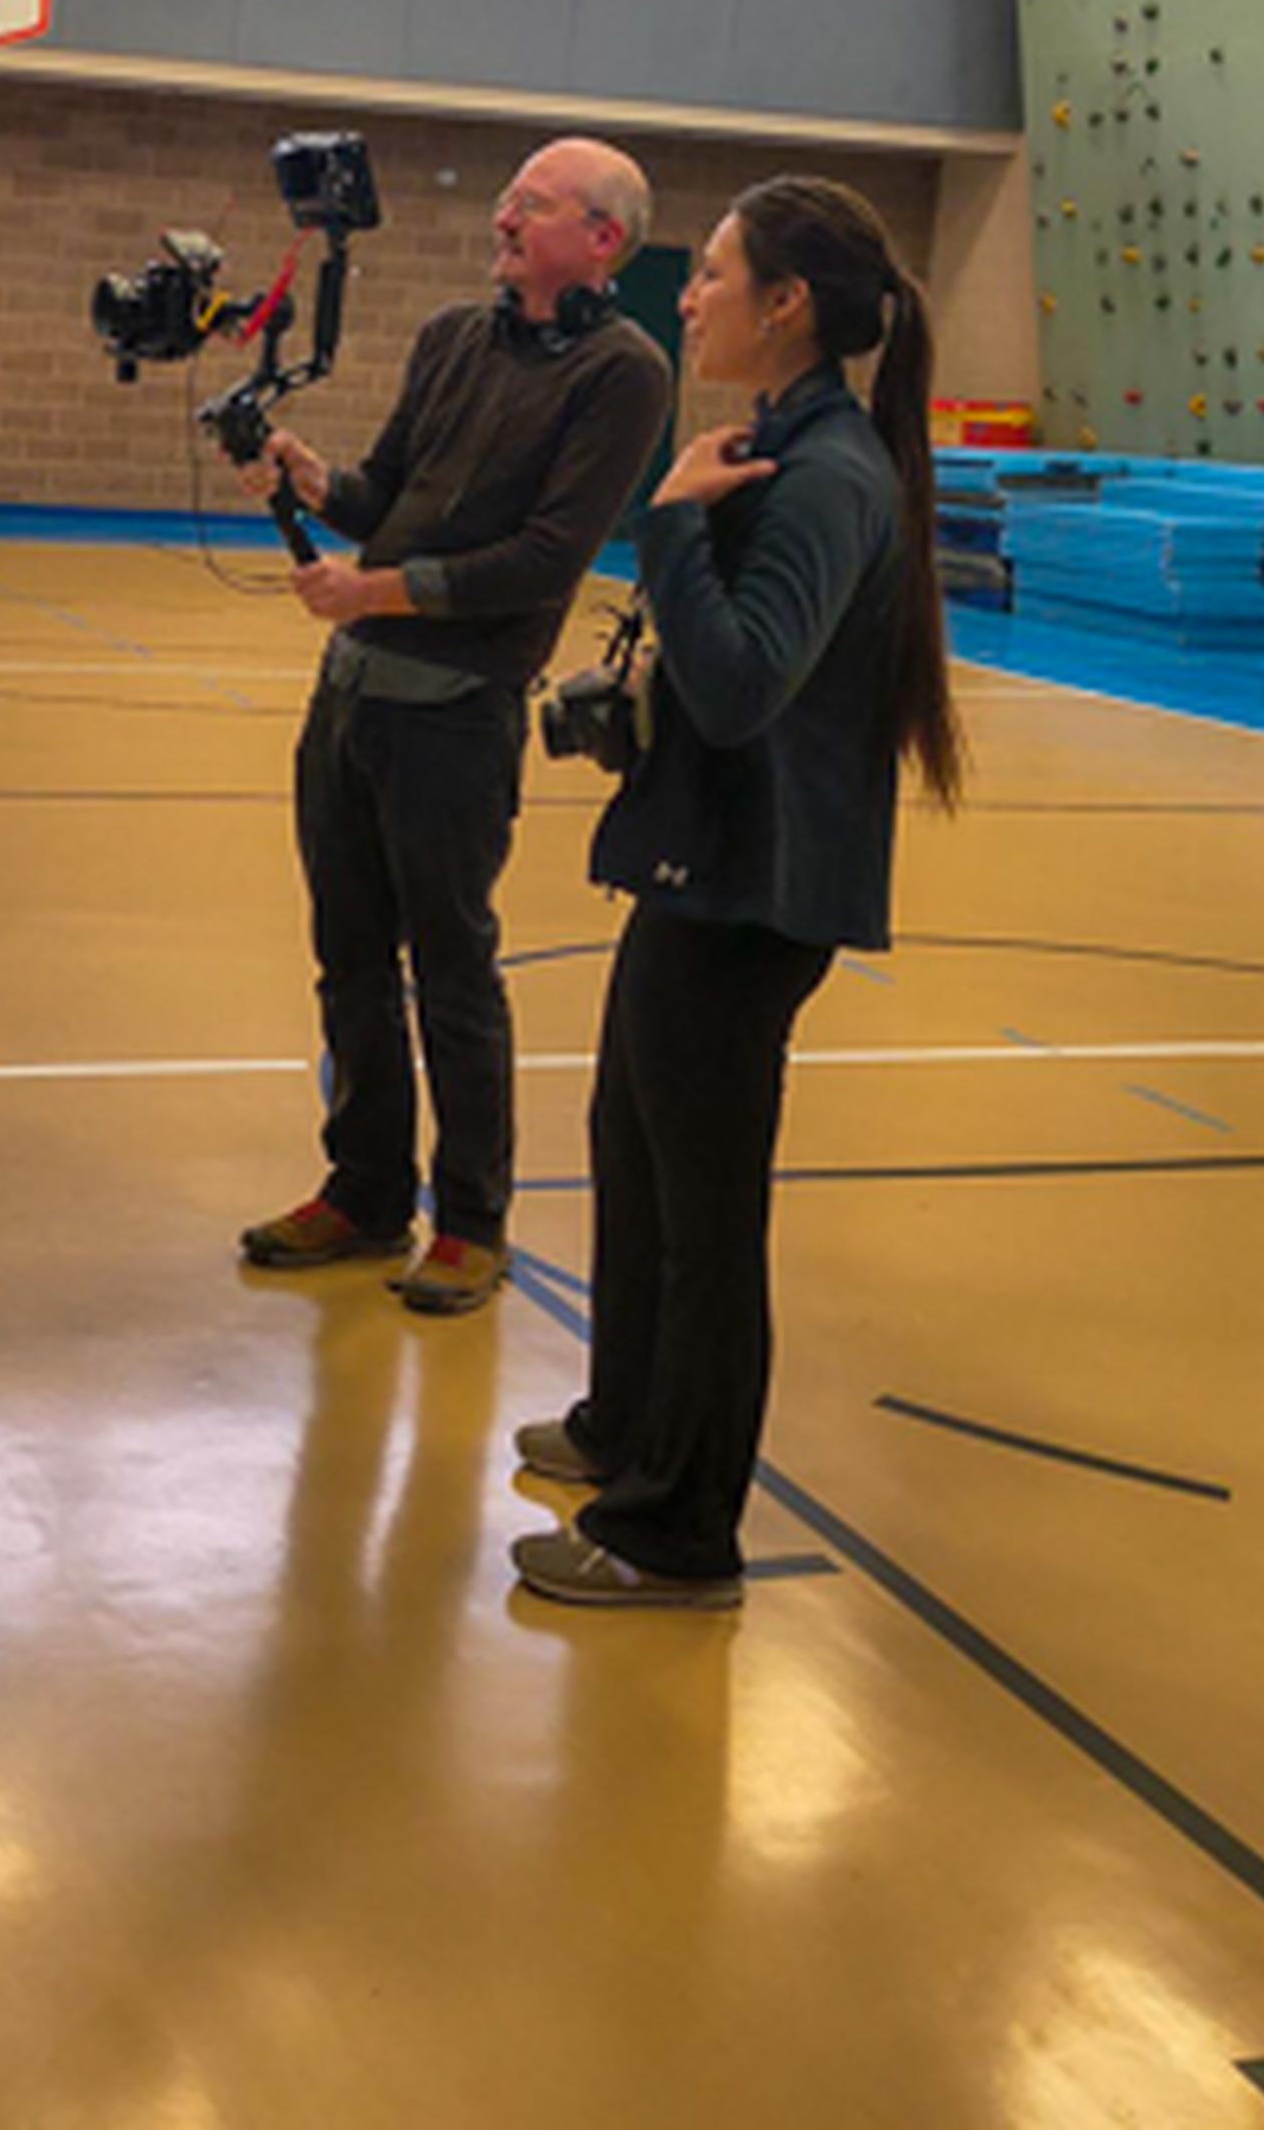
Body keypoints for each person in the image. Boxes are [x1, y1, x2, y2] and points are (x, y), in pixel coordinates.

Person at [508, 175, 963, 1608]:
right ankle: (627, 1431)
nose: (686, 294)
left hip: (759, 894)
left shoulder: (827, 477)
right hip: (702, 868)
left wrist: (676, 527)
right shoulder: (777, 443)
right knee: (631, 1156)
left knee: (706, 1220)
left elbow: (749, 679)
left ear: (788, 306)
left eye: (709, 274)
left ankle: (680, 1531)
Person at [231, 138, 674, 1316]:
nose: (504, 216)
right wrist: (308, 478)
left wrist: (369, 592)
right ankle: (365, 1190)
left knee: (454, 968)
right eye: (508, 198)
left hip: (455, 725)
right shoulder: (449, 339)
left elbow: (540, 564)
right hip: (350, 704)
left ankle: (471, 1219)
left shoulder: (625, 374)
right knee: (351, 962)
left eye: (535, 204)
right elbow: (383, 496)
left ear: (603, 240)